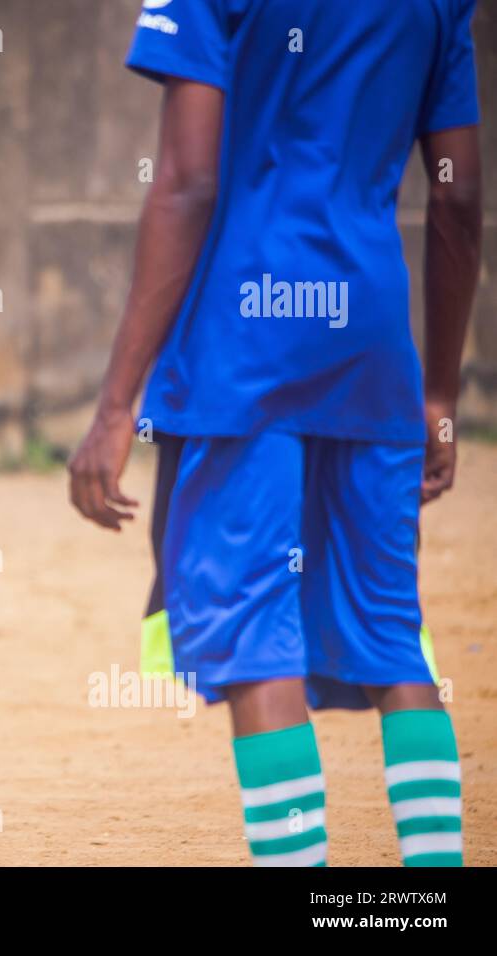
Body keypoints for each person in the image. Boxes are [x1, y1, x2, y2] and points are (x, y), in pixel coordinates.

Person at [70, 0, 481, 866]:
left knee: (256, 635)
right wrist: (439, 386)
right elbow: (459, 198)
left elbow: (187, 180)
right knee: (391, 634)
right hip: (370, 341)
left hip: (241, 347)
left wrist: (116, 406)